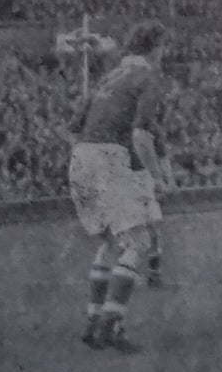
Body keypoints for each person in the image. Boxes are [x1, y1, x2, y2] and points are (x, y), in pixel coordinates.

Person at [68, 21, 169, 352]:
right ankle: (111, 326)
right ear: (155, 48)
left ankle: (94, 319)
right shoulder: (149, 78)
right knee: (138, 241)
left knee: (111, 241)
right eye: (163, 47)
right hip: (109, 155)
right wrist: (156, 177)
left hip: (80, 155)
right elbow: (140, 134)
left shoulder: (106, 78)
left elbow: (74, 127)